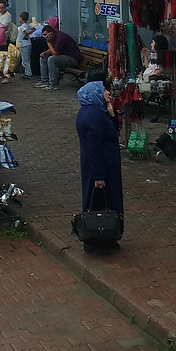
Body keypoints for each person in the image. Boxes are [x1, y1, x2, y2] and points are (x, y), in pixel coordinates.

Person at [76, 81, 124, 253]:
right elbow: (94, 146)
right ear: (95, 93)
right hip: (101, 167)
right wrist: (99, 176)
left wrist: (111, 114)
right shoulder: (94, 115)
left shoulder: (93, 111)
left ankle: (105, 239)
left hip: (100, 166)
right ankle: (97, 239)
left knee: (102, 201)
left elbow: (109, 133)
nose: (108, 92)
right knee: (100, 203)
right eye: (103, 90)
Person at [40, 21, 82, 91]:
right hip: (64, 57)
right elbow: (52, 49)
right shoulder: (54, 37)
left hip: (73, 59)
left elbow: (55, 53)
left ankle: (53, 84)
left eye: (46, 35)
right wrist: (45, 52)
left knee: (51, 59)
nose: (45, 37)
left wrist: (48, 42)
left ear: (51, 33)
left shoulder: (60, 37)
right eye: (43, 35)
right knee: (43, 57)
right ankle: (44, 80)